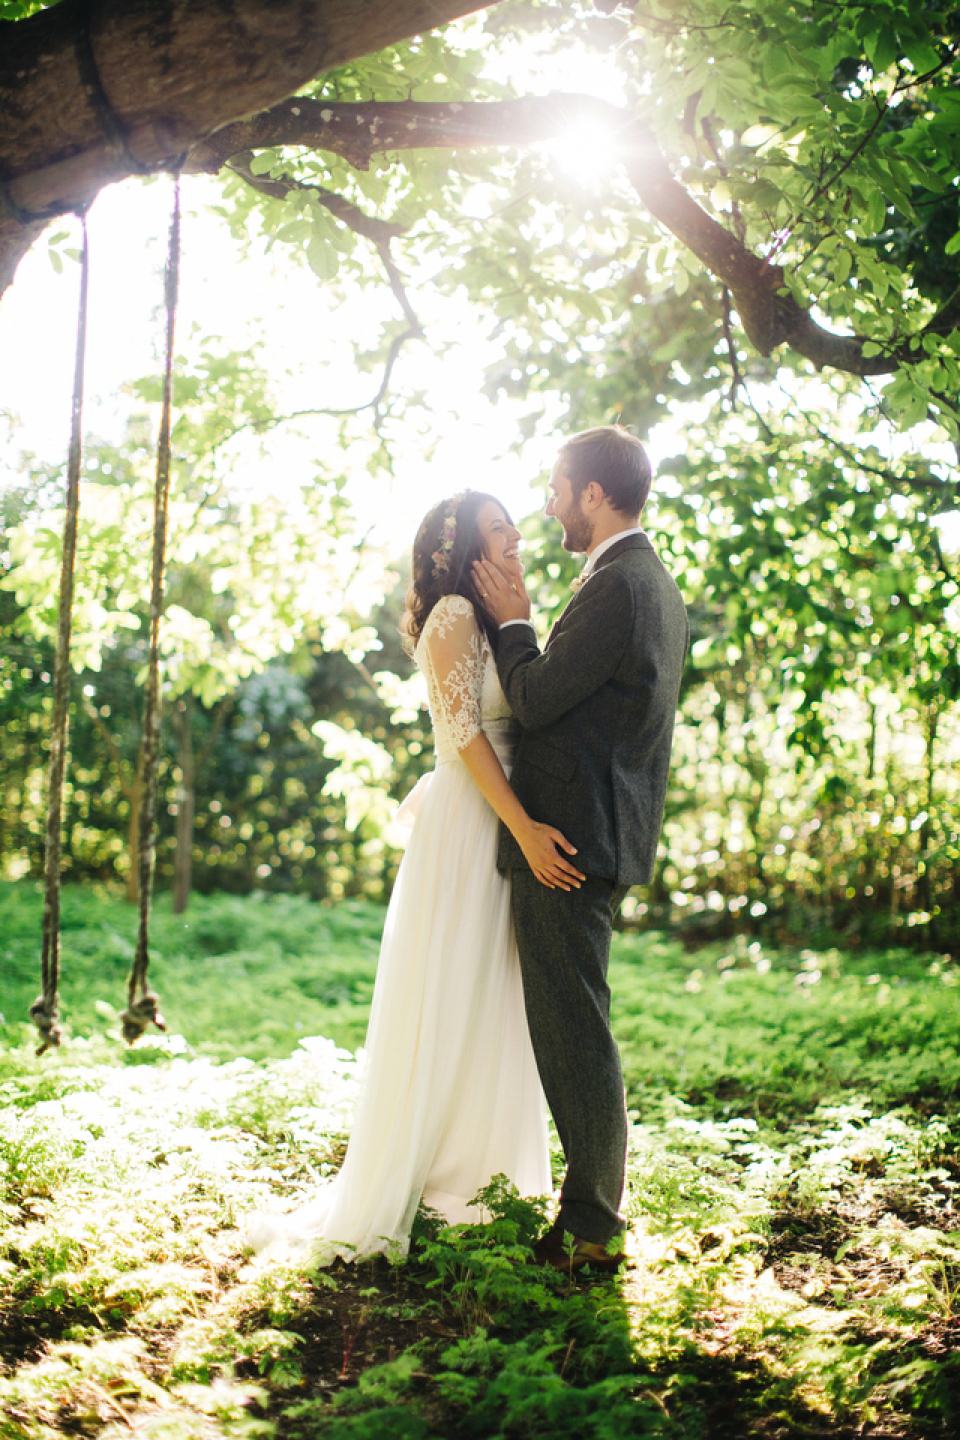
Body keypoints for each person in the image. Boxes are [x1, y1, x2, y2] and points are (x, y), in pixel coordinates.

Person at [248, 490, 583, 1262]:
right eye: (501, 530)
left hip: (501, 817)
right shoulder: (454, 620)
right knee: (454, 985)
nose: (518, 539)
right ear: (465, 550)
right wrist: (524, 826)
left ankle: (486, 1175)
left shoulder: (497, 617)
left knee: (495, 992)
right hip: (474, 821)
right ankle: (434, 1176)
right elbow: (464, 738)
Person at [473, 425, 688, 1273]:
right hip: (596, 828)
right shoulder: (646, 582)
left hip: (567, 838)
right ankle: (588, 1214)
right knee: (575, 1023)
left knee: (575, 1031)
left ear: (596, 494)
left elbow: (534, 699)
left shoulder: (620, 586)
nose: (550, 503)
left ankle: (593, 1225)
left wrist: (515, 621)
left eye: (560, 487)